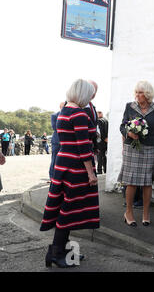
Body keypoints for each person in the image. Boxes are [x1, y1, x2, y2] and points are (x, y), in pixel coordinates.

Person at [40, 79, 99, 268]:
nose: (91, 97)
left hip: (62, 163)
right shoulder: (79, 114)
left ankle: (63, 252)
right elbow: (83, 148)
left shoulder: (64, 111)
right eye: (90, 93)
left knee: (64, 207)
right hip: (75, 166)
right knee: (68, 210)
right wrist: (91, 174)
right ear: (84, 94)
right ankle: (56, 253)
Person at [117, 81, 154, 227]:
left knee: (147, 183)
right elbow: (123, 125)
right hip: (132, 148)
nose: (137, 95)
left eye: (140, 92)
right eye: (136, 92)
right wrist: (129, 132)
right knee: (131, 181)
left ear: (147, 94)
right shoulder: (129, 106)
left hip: (149, 148)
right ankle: (128, 212)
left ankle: (146, 213)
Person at [49, 102, 65, 180]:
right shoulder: (54, 115)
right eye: (62, 106)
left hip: (66, 141)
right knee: (54, 159)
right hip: (56, 141)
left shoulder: (69, 115)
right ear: (60, 107)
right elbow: (55, 127)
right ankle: (52, 177)